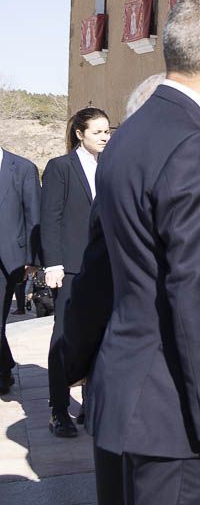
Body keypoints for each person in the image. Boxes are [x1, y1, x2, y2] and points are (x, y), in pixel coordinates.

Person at [65, 0, 200, 505]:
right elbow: (196, 298)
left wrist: (77, 362)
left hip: (123, 401)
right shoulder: (198, 148)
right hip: (175, 420)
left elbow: (98, 271)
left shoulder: (127, 137)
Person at [41, 107, 110, 438]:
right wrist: (52, 263)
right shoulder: (61, 168)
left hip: (104, 266)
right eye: (98, 132)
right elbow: (50, 217)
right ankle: (58, 409)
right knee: (64, 336)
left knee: (100, 334)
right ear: (80, 134)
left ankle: (90, 403)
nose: (105, 137)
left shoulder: (111, 167)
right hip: (69, 267)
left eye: (107, 131)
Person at [0, 146, 39, 397]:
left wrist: (33, 259)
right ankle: (5, 368)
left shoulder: (22, 168)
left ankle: (3, 372)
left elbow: (33, 213)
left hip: (9, 257)